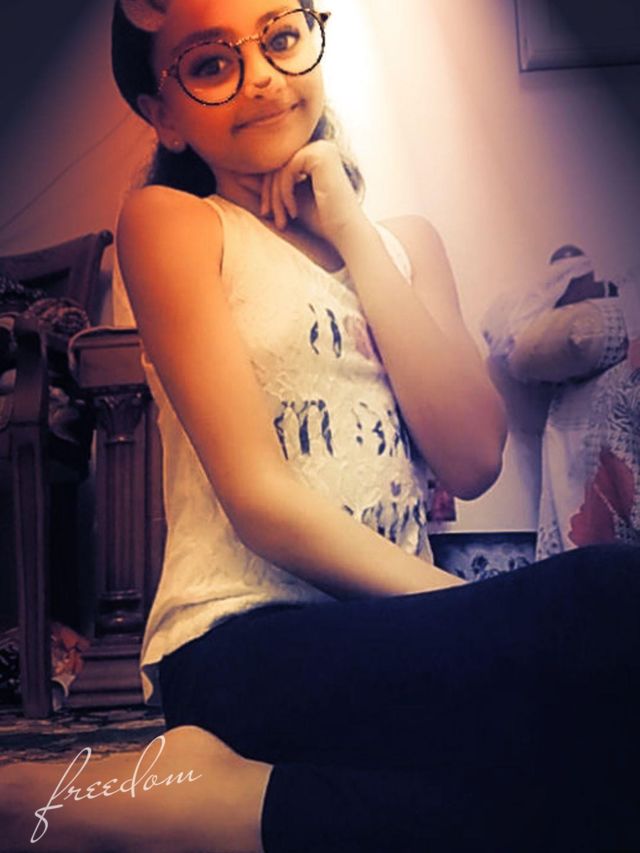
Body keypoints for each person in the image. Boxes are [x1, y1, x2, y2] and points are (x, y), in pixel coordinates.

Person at [2, 1, 638, 851]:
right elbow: (260, 501)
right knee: (610, 601)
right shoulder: (172, 221)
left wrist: (351, 229)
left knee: (585, 774)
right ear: (164, 114)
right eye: (211, 63)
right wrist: (487, 617)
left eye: (281, 37)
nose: (262, 76)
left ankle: (211, 804)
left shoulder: (407, 244)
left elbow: (472, 455)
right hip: (243, 641)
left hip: (400, 638)